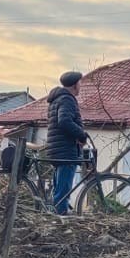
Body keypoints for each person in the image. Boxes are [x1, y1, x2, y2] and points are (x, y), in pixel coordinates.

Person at [45, 70, 88, 215]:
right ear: (75, 85)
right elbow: (64, 121)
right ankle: (59, 219)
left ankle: (56, 215)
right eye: (80, 83)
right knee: (62, 192)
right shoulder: (67, 99)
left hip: (57, 148)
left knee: (59, 190)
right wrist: (82, 135)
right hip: (66, 150)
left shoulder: (57, 99)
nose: (81, 86)